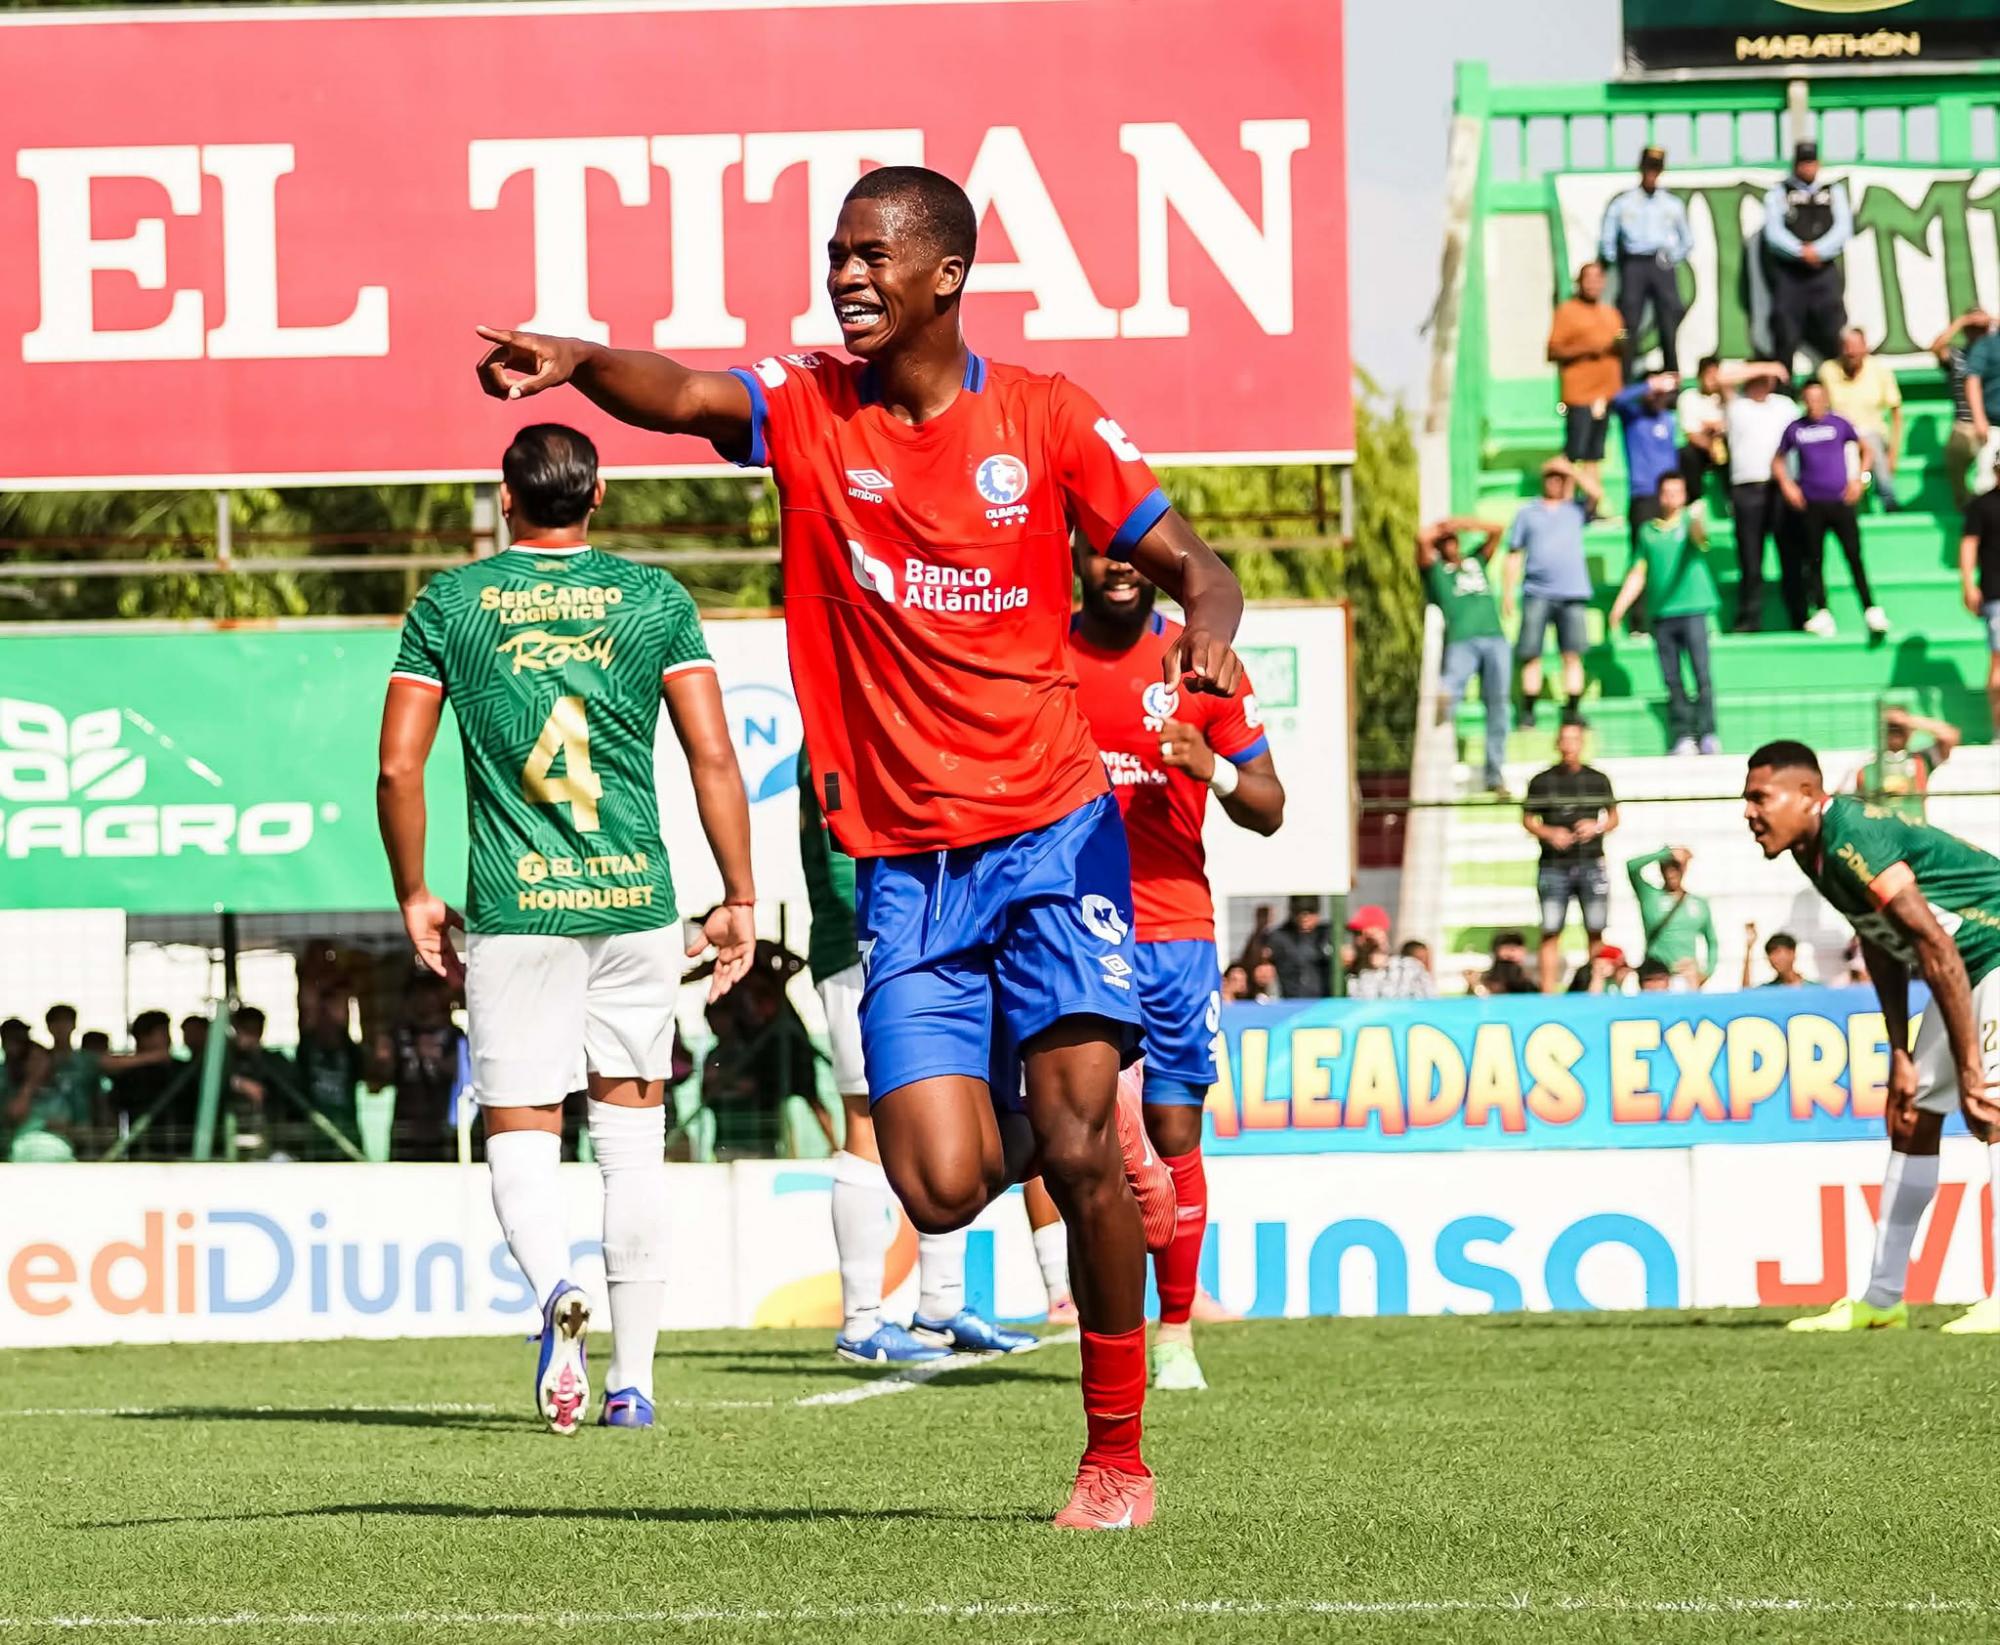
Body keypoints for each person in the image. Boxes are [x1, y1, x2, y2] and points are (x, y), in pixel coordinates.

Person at [474, 165, 1252, 1529]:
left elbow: (1200, 562)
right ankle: (1062, 1130)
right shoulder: (815, 409)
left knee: (1080, 1149)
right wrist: (583, 362)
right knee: (941, 1188)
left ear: (945, 273)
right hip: (903, 863)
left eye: (873, 255)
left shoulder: (1049, 418)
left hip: (1054, 836)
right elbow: (689, 394)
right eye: (837, 253)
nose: (847, 275)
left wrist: (1211, 630)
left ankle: (1116, 1452)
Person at [378, 422, 756, 1436]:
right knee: (632, 1145)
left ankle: (554, 1294)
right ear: (596, 498)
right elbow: (714, 758)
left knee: (521, 1129)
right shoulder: (652, 600)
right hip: (636, 904)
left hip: (515, 910)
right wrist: (738, 894)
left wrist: (414, 889)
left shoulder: (450, 604)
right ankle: (633, 1383)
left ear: (505, 495)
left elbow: (398, 768)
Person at [1068, 547, 1284, 1392]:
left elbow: (1270, 806)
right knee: (1079, 1132)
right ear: (1077, 555)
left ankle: (1177, 1334)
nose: (1120, 564)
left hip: (1174, 930)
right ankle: (1103, 1316)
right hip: (1073, 928)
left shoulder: (1203, 666)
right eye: (1101, 547)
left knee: (1173, 1132)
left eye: (1135, 552)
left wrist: (1216, 766)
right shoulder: (1041, 656)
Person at [1743, 741, 2000, 1334]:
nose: (1750, 813)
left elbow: (1932, 942)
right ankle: (1883, 1299)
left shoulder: (1851, 832)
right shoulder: (1814, 853)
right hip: (1964, 965)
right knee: (1911, 1114)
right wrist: (1901, 1053)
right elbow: (1888, 943)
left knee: (1989, 1105)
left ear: (1808, 796)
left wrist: (1966, 1066)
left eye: (1761, 797)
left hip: (1992, 951)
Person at [798, 747, 1032, 1364]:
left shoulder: (900, 715)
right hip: (871, 944)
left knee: (955, 1106)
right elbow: (842, 855)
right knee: (868, 1122)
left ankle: (940, 1307)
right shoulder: (839, 726)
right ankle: (860, 1320)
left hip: (934, 943)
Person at [1607, 471, 1720, 756]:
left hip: (1694, 610)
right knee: (1672, 679)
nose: (1672, 498)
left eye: (1677, 492)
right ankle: (1683, 734)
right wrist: (1619, 607)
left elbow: (1700, 539)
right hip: (1662, 616)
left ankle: (1708, 733)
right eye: (1667, 492)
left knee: (1701, 675)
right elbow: (1638, 572)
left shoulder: (1690, 522)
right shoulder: (1648, 532)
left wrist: (1695, 520)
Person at [1775, 380, 1884, 637]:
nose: (1814, 403)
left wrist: (1860, 479)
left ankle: (1870, 608)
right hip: (1812, 504)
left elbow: (1865, 450)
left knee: (1854, 556)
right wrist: (1788, 487)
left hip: (1840, 502)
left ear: (1825, 398)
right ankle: (1822, 610)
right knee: (1814, 559)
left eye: (1818, 397)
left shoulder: (1839, 424)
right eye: (1809, 398)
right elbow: (1778, 461)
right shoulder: (1795, 429)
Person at [1504, 458, 1601, 728]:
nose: (1556, 482)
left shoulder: (1575, 510)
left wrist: (1572, 470)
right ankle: (1528, 710)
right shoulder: (1527, 512)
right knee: (1531, 653)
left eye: (1561, 478)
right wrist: (1508, 593)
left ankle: (1572, 710)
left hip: (1571, 592)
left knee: (1572, 654)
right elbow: (1513, 554)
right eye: (1551, 477)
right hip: (1537, 592)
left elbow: (1596, 493)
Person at [1417, 515, 1510, 795]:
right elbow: (1421, 538)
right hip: (1462, 641)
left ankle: (1495, 774)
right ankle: (1439, 759)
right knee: (1448, 697)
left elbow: (1497, 529)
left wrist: (1464, 523)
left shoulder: (1475, 562)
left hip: (1494, 638)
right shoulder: (1436, 572)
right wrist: (1439, 529)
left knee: (1498, 706)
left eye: (1453, 540)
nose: (1451, 545)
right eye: (1444, 541)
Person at [1524, 722, 1619, 993]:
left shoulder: (1597, 778)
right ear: (1557, 743)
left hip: (1591, 861)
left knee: (1595, 928)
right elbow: (1528, 819)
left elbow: (1613, 818)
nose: (1569, 745)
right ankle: (1548, 993)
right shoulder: (1542, 780)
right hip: (1554, 864)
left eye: (1574, 739)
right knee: (1551, 929)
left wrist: (1595, 827)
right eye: (1564, 739)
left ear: (1582, 742)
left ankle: (1596, 986)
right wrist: (1549, 832)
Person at [1600, 148, 1692, 378]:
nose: (1652, 173)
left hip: (1660, 263)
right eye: (1649, 168)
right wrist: (1616, 260)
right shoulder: (1624, 202)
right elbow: (1608, 239)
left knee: (1669, 317)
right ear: (1641, 169)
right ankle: (1624, 374)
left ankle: (1672, 372)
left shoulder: (1671, 203)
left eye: (1656, 168)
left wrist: (1671, 257)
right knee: (1628, 321)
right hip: (1634, 263)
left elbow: (1687, 240)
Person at [1762, 141, 1852, 375]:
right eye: (1803, 162)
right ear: (1795, 165)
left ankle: (1836, 387)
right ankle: (1784, 391)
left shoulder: (1834, 191)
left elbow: (1843, 229)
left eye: (1811, 162)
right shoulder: (1780, 192)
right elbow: (1774, 233)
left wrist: (1818, 251)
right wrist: (1801, 251)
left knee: (1833, 331)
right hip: (1791, 274)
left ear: (1818, 164)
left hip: (1823, 272)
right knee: (1785, 333)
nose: (1807, 168)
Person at [1722, 363, 1797, 632]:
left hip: (1779, 486)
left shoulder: (1785, 405)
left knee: (1789, 555)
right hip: (1746, 486)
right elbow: (1721, 377)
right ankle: (1749, 618)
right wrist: (1768, 366)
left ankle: (1798, 614)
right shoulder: (1736, 406)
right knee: (1750, 560)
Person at [1545, 262, 1626, 486]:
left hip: (1605, 393)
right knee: (1574, 451)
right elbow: (1553, 350)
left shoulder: (1610, 313)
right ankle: (1565, 499)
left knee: (1595, 453)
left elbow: (1622, 340)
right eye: (1588, 279)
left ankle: (1592, 505)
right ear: (1579, 282)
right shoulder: (1567, 311)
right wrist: (1589, 348)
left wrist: (1622, 342)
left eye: (1597, 279)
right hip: (1580, 394)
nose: (1593, 284)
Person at [1818, 329, 1902, 513]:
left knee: (1871, 444)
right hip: (1840, 434)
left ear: (1866, 348)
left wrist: (1894, 452)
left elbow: (1896, 411)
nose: (1851, 353)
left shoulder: (1879, 369)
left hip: (1873, 432)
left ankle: (1886, 496)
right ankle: (1850, 499)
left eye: (1856, 347)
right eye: (1847, 347)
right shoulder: (1827, 371)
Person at [1626, 846, 1718, 987]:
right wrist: (1665, 853)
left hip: (1685, 976)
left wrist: (1706, 972)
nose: (1670, 872)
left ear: (1684, 869)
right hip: (1656, 977)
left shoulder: (1698, 903)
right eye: (1666, 867)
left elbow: (1712, 941)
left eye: (1675, 867)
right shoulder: (1650, 896)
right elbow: (1632, 866)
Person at [1852, 708, 1960, 825]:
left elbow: (1949, 736)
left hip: (1914, 831)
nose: (1896, 733)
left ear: (1910, 731)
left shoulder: (1920, 760)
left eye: (1900, 729)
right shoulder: (1867, 766)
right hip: (1882, 835)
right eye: (1891, 728)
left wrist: (1908, 720)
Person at [1610, 372, 1682, 544]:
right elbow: (1616, 400)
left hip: (1669, 497)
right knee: (1641, 554)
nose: (1658, 397)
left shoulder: (1669, 420)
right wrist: (1650, 384)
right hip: (1643, 496)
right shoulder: (1633, 418)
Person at [1934, 310, 1995, 509]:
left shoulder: (1994, 354)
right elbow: (1936, 347)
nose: (1977, 333)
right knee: (1955, 461)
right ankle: (1967, 507)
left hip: (1992, 423)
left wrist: (1990, 319)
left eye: (1981, 329)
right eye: (1972, 329)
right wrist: (1961, 321)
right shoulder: (1957, 355)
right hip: (1964, 424)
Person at [1964, 452, 2000, 738]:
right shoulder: (1981, 505)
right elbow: (1968, 545)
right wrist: (1968, 584)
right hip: (1996, 593)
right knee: (1998, 664)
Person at [1675, 356, 1727, 509]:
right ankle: (1693, 500)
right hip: (1702, 447)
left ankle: (1731, 500)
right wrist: (1710, 445)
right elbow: (1691, 433)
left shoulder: (1726, 398)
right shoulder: (1689, 397)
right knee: (1687, 454)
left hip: (1723, 444)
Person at [1265, 896, 1332, 1001]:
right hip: (1292, 1001)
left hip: (1325, 1003)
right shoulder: (1279, 937)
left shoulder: (1328, 934)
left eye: (1310, 911)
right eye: (1298, 912)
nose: (1304, 917)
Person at [1474, 930, 1542, 997]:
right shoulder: (1485, 980)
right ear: (1496, 950)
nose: (1511, 950)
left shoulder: (1534, 977)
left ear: (1524, 950)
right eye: (1506, 946)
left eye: (1516, 946)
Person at [1742, 925, 1807, 989]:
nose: (1773, 958)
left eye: (1777, 952)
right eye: (1770, 954)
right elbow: (1746, 994)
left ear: (1792, 953)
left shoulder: (1812, 988)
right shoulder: (1768, 990)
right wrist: (1749, 949)